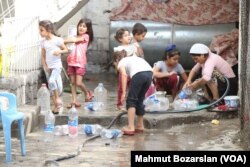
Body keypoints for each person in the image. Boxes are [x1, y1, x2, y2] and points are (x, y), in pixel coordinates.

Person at [117, 54, 153, 135]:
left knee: (131, 100)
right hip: (150, 73)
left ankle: (130, 127)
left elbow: (123, 75)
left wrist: (123, 92)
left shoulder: (121, 62)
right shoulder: (134, 59)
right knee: (140, 99)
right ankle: (140, 125)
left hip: (139, 74)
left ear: (116, 61)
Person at [39, 20, 68, 114]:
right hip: (48, 68)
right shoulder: (43, 42)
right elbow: (43, 56)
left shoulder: (57, 40)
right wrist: (45, 65)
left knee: (52, 82)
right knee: (54, 88)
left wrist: (59, 51)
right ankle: (56, 106)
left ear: (49, 30)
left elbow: (66, 50)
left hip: (57, 67)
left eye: (42, 30)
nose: (40, 32)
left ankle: (58, 99)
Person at [64, 18, 94, 108]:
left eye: (84, 26)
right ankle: (74, 101)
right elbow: (70, 43)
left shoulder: (85, 37)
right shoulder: (74, 36)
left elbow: (73, 41)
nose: (81, 27)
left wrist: (61, 41)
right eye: (80, 25)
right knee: (72, 83)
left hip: (80, 63)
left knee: (78, 83)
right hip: (71, 62)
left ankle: (87, 93)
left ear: (87, 29)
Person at [113, 28, 138, 111]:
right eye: (126, 35)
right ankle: (120, 104)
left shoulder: (133, 47)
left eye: (129, 35)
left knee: (132, 88)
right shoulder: (118, 49)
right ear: (120, 39)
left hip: (132, 71)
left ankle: (130, 103)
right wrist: (118, 70)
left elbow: (136, 58)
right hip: (123, 72)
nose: (129, 37)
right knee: (121, 89)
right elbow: (116, 62)